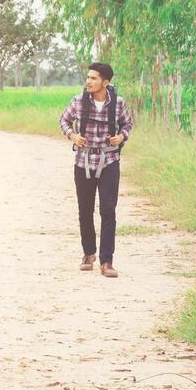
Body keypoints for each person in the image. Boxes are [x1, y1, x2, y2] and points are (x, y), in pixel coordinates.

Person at [58, 62, 134, 278]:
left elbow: (128, 124)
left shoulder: (118, 104)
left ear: (105, 82)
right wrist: (72, 135)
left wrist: (122, 136)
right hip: (83, 161)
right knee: (85, 210)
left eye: (94, 78)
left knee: (108, 210)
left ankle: (107, 261)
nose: (88, 81)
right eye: (88, 77)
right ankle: (88, 253)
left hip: (109, 159)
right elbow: (63, 120)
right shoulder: (78, 101)